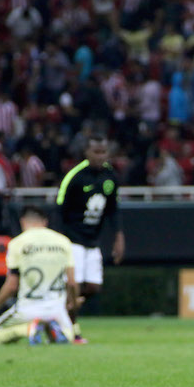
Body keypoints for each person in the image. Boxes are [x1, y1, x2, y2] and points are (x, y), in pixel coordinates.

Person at [56, 133, 125, 344]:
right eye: (96, 152)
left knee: (93, 287)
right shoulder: (75, 176)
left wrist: (118, 236)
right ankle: (73, 330)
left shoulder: (110, 177)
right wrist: (60, 242)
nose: (100, 156)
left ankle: (60, 307)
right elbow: (60, 209)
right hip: (73, 240)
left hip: (93, 240)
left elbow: (113, 209)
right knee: (74, 285)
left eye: (103, 152)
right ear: (86, 152)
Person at [0, 206, 77, 345]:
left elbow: (12, 285)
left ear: (23, 221)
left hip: (28, 308)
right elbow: (71, 282)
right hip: (56, 308)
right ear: (45, 222)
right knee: (68, 337)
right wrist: (73, 301)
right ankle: (54, 329)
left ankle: (26, 329)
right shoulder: (63, 241)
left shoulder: (18, 243)